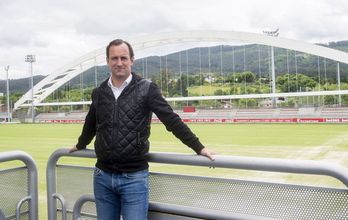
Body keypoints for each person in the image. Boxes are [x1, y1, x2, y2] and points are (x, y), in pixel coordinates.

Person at [69, 39, 216, 220]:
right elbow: (91, 123)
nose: (119, 62)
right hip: (102, 176)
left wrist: (199, 147)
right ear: (107, 61)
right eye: (114, 58)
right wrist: (81, 144)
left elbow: (171, 120)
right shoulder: (99, 92)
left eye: (124, 57)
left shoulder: (147, 89)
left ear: (132, 60)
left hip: (134, 179)